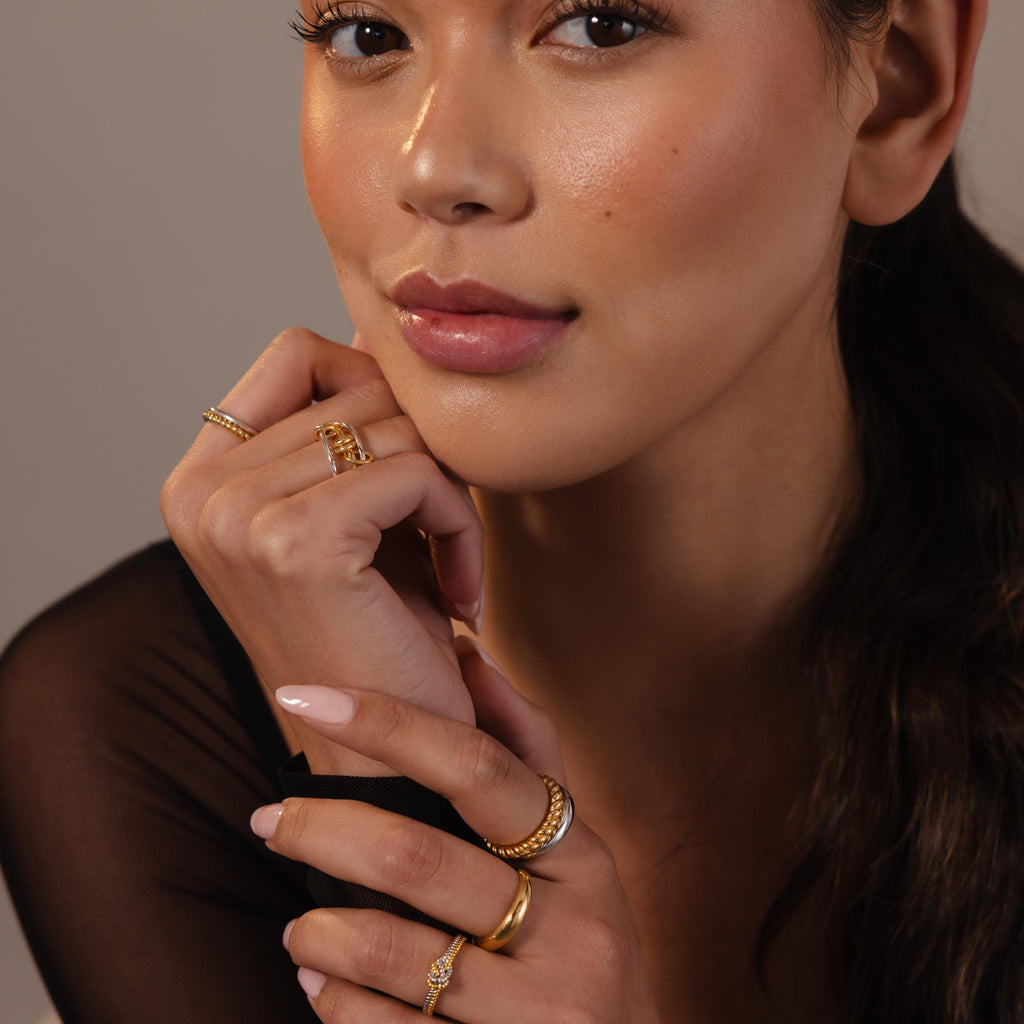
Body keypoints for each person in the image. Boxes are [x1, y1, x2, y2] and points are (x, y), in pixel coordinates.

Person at [2, 0, 1023, 1020]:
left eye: (601, 26)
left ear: (897, 85)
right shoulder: (134, 719)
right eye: (367, 34)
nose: (435, 169)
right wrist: (376, 773)